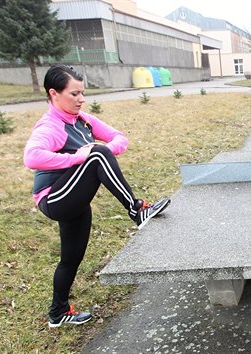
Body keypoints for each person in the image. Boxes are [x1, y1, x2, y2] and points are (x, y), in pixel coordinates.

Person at [23, 64, 171, 328]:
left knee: (71, 258)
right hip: (54, 198)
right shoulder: (51, 126)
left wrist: (100, 152)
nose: (81, 99)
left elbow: (119, 138)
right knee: (97, 153)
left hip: (74, 197)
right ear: (54, 94)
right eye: (74, 94)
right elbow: (31, 157)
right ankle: (137, 210)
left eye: (82, 93)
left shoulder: (83, 120)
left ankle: (58, 313)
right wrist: (79, 156)